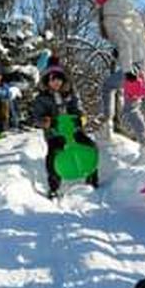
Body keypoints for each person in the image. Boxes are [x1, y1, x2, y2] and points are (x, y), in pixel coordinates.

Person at [92, 0, 145, 161]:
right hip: (144, 62)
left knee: (110, 88)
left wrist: (128, 71)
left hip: (134, 67)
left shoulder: (110, 18)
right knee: (130, 107)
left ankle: (107, 125)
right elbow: (143, 32)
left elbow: (124, 44)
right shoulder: (128, 11)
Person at [29, 59, 98, 199]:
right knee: (53, 156)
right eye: (52, 79)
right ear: (47, 81)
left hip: (74, 130)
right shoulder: (42, 98)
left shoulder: (70, 95)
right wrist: (47, 122)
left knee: (91, 146)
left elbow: (79, 109)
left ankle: (92, 177)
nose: (56, 82)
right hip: (55, 134)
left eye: (59, 79)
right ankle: (54, 186)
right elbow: (37, 117)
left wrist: (80, 118)